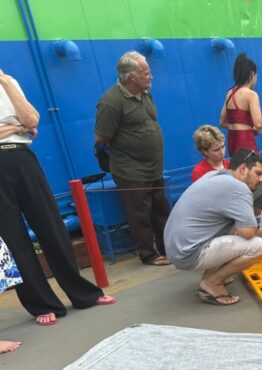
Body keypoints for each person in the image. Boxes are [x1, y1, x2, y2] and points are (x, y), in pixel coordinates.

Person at [2, 68, 115, 326]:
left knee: (51, 226)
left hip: (22, 157)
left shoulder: (10, 81)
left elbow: (31, 121)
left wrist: (6, 82)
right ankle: (41, 303)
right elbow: (25, 126)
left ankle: (83, 294)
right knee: (13, 238)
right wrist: (15, 126)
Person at [164, 149, 262, 305]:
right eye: (258, 173)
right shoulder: (238, 188)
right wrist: (256, 211)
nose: (261, 179)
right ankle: (212, 283)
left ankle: (210, 276)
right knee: (259, 246)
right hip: (189, 253)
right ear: (243, 169)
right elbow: (249, 233)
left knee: (234, 229)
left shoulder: (215, 175)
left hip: (177, 248)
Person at [95, 51, 171, 266]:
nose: (151, 76)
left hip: (154, 167)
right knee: (139, 214)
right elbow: (102, 136)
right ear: (131, 77)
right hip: (131, 170)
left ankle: (168, 248)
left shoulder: (146, 94)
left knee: (161, 210)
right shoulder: (111, 102)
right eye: (146, 73)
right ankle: (148, 254)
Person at [190, 125, 262, 255]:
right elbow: (203, 204)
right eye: (216, 149)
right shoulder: (199, 171)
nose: (222, 152)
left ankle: (253, 230)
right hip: (220, 221)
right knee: (255, 246)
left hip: (239, 216)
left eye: (223, 146)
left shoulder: (230, 164)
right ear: (205, 152)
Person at [219, 53, 262, 156]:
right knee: (251, 168)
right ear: (252, 74)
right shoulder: (251, 94)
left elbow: (222, 122)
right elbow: (258, 124)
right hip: (245, 141)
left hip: (232, 140)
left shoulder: (230, 92)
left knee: (238, 169)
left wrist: (247, 128)